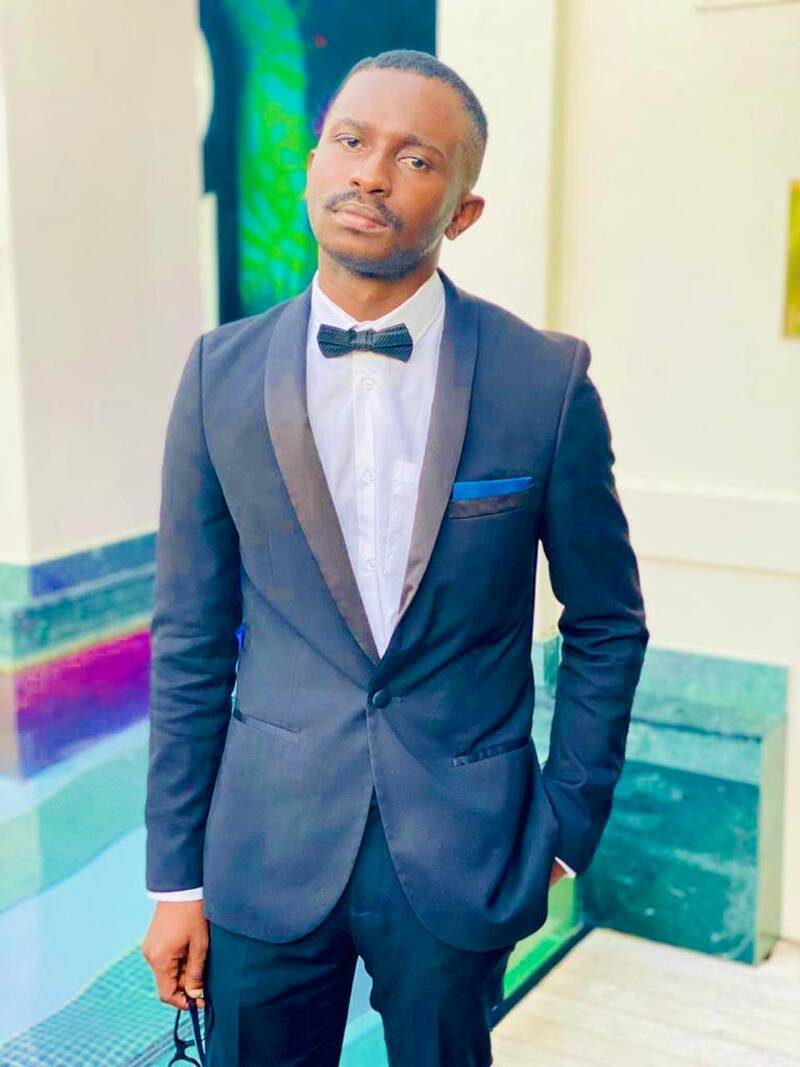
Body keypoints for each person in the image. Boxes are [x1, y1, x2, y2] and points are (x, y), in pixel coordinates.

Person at [141, 47, 649, 1067]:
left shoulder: (543, 380)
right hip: (264, 849)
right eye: (351, 140)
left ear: (463, 211)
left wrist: (561, 826)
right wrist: (175, 877)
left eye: (416, 160)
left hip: (464, 853)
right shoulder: (216, 376)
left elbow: (605, 622)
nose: (371, 174)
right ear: (312, 165)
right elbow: (191, 635)